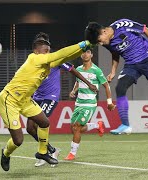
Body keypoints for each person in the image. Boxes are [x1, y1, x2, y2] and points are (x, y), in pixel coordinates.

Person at [0, 32, 93, 171]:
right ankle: (5, 153)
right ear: (36, 51)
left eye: (48, 50)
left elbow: (66, 56)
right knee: (18, 140)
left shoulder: (48, 62)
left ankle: (42, 153)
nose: (47, 52)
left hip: (25, 100)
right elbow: (60, 54)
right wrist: (83, 44)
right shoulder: (34, 59)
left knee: (44, 122)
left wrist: (85, 48)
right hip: (9, 99)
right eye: (44, 50)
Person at [84, 19, 148, 138]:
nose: (100, 44)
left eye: (99, 41)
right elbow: (115, 53)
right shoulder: (106, 42)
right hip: (131, 65)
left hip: (147, 60)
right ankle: (125, 125)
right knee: (120, 88)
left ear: (103, 31)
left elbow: (145, 30)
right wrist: (113, 71)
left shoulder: (122, 25)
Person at [26, 33, 98, 167]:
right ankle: (51, 150)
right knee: (30, 128)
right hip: (37, 97)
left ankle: (44, 153)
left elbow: (74, 71)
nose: (45, 49)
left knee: (40, 122)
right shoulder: (32, 61)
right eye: (41, 45)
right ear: (36, 49)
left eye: (46, 46)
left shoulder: (56, 60)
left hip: (50, 97)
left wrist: (89, 84)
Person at [64, 49, 116, 160]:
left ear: (91, 54)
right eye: (83, 52)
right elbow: (78, 82)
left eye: (88, 52)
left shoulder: (96, 70)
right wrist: (74, 91)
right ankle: (97, 125)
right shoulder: (78, 69)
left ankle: (72, 153)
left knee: (77, 127)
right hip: (79, 103)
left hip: (89, 103)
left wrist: (109, 103)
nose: (85, 54)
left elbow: (106, 86)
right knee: (73, 128)